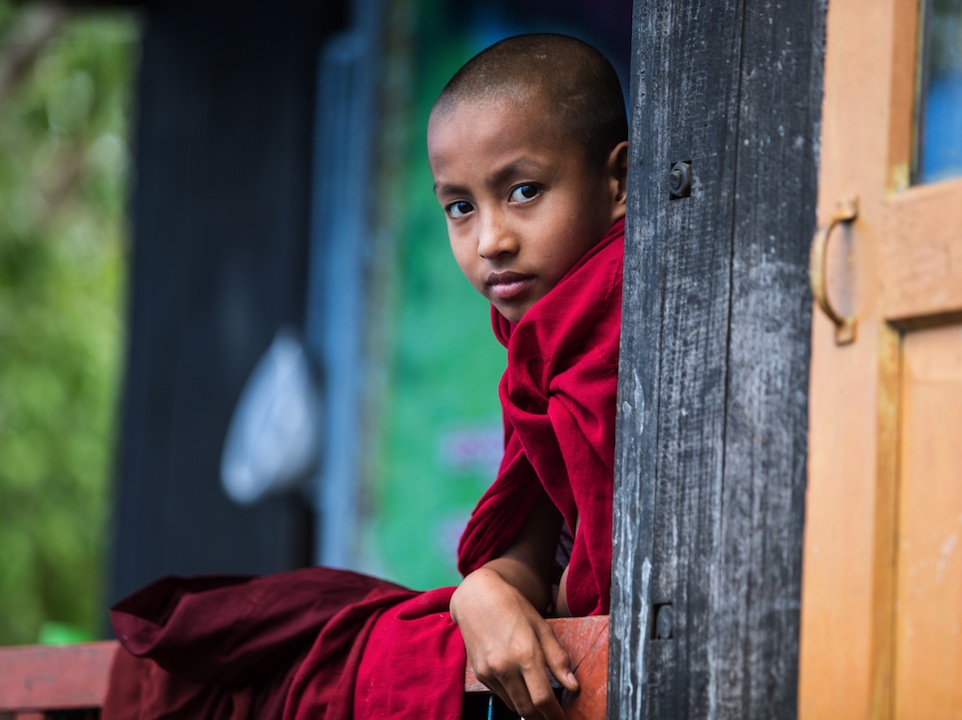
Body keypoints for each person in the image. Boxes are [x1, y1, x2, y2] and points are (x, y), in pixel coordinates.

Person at [103, 33, 628, 720]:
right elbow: (530, 548)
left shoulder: (646, 317)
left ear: (617, 182)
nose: (490, 240)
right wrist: (484, 591)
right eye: (460, 207)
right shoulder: (536, 349)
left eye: (524, 191)